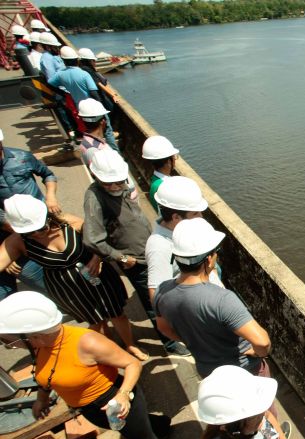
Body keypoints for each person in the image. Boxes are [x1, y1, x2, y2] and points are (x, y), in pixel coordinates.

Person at [0, 292, 181, 439]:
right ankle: (161, 426)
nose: (10, 346)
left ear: (33, 334)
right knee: (137, 430)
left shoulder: (88, 342)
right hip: (90, 408)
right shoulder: (40, 347)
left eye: (9, 341)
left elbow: (132, 364)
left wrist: (123, 394)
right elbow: (47, 376)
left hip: (114, 401)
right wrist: (41, 399)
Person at [0, 194, 146, 360]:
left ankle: (130, 345)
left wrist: (97, 257)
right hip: (68, 288)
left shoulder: (68, 222)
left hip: (97, 276)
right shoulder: (17, 241)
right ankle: (108, 349)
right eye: (28, 232)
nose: (36, 234)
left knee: (116, 313)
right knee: (95, 320)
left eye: (41, 228)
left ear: (47, 217)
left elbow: (99, 240)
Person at [82, 149, 188, 356]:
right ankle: (169, 342)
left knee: (169, 291)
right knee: (154, 301)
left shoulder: (120, 186)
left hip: (150, 249)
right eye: (108, 183)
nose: (115, 187)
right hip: (136, 261)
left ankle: (176, 330)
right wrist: (120, 257)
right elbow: (93, 238)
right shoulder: (94, 197)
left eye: (118, 182)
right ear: (95, 176)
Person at [154, 218, 273, 381]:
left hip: (208, 372)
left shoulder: (161, 291)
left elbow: (163, 328)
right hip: (244, 373)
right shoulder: (222, 299)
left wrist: (194, 342)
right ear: (209, 259)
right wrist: (259, 353)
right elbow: (262, 342)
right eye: (216, 252)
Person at [146, 176, 222, 305]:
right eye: (195, 213)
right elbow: (157, 297)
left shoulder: (183, 229)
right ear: (176, 217)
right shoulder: (159, 247)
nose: (201, 217)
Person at [76, 99, 136, 199]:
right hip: (122, 195)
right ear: (103, 122)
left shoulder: (88, 143)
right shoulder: (95, 150)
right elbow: (107, 179)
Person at [0, 127, 61, 218]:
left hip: (41, 211)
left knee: (75, 223)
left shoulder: (22, 156)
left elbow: (48, 175)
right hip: (11, 220)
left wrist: (51, 197)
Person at [141, 136, 180, 211]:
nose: (175, 159)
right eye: (174, 157)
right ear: (169, 162)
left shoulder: (155, 180)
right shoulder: (165, 186)